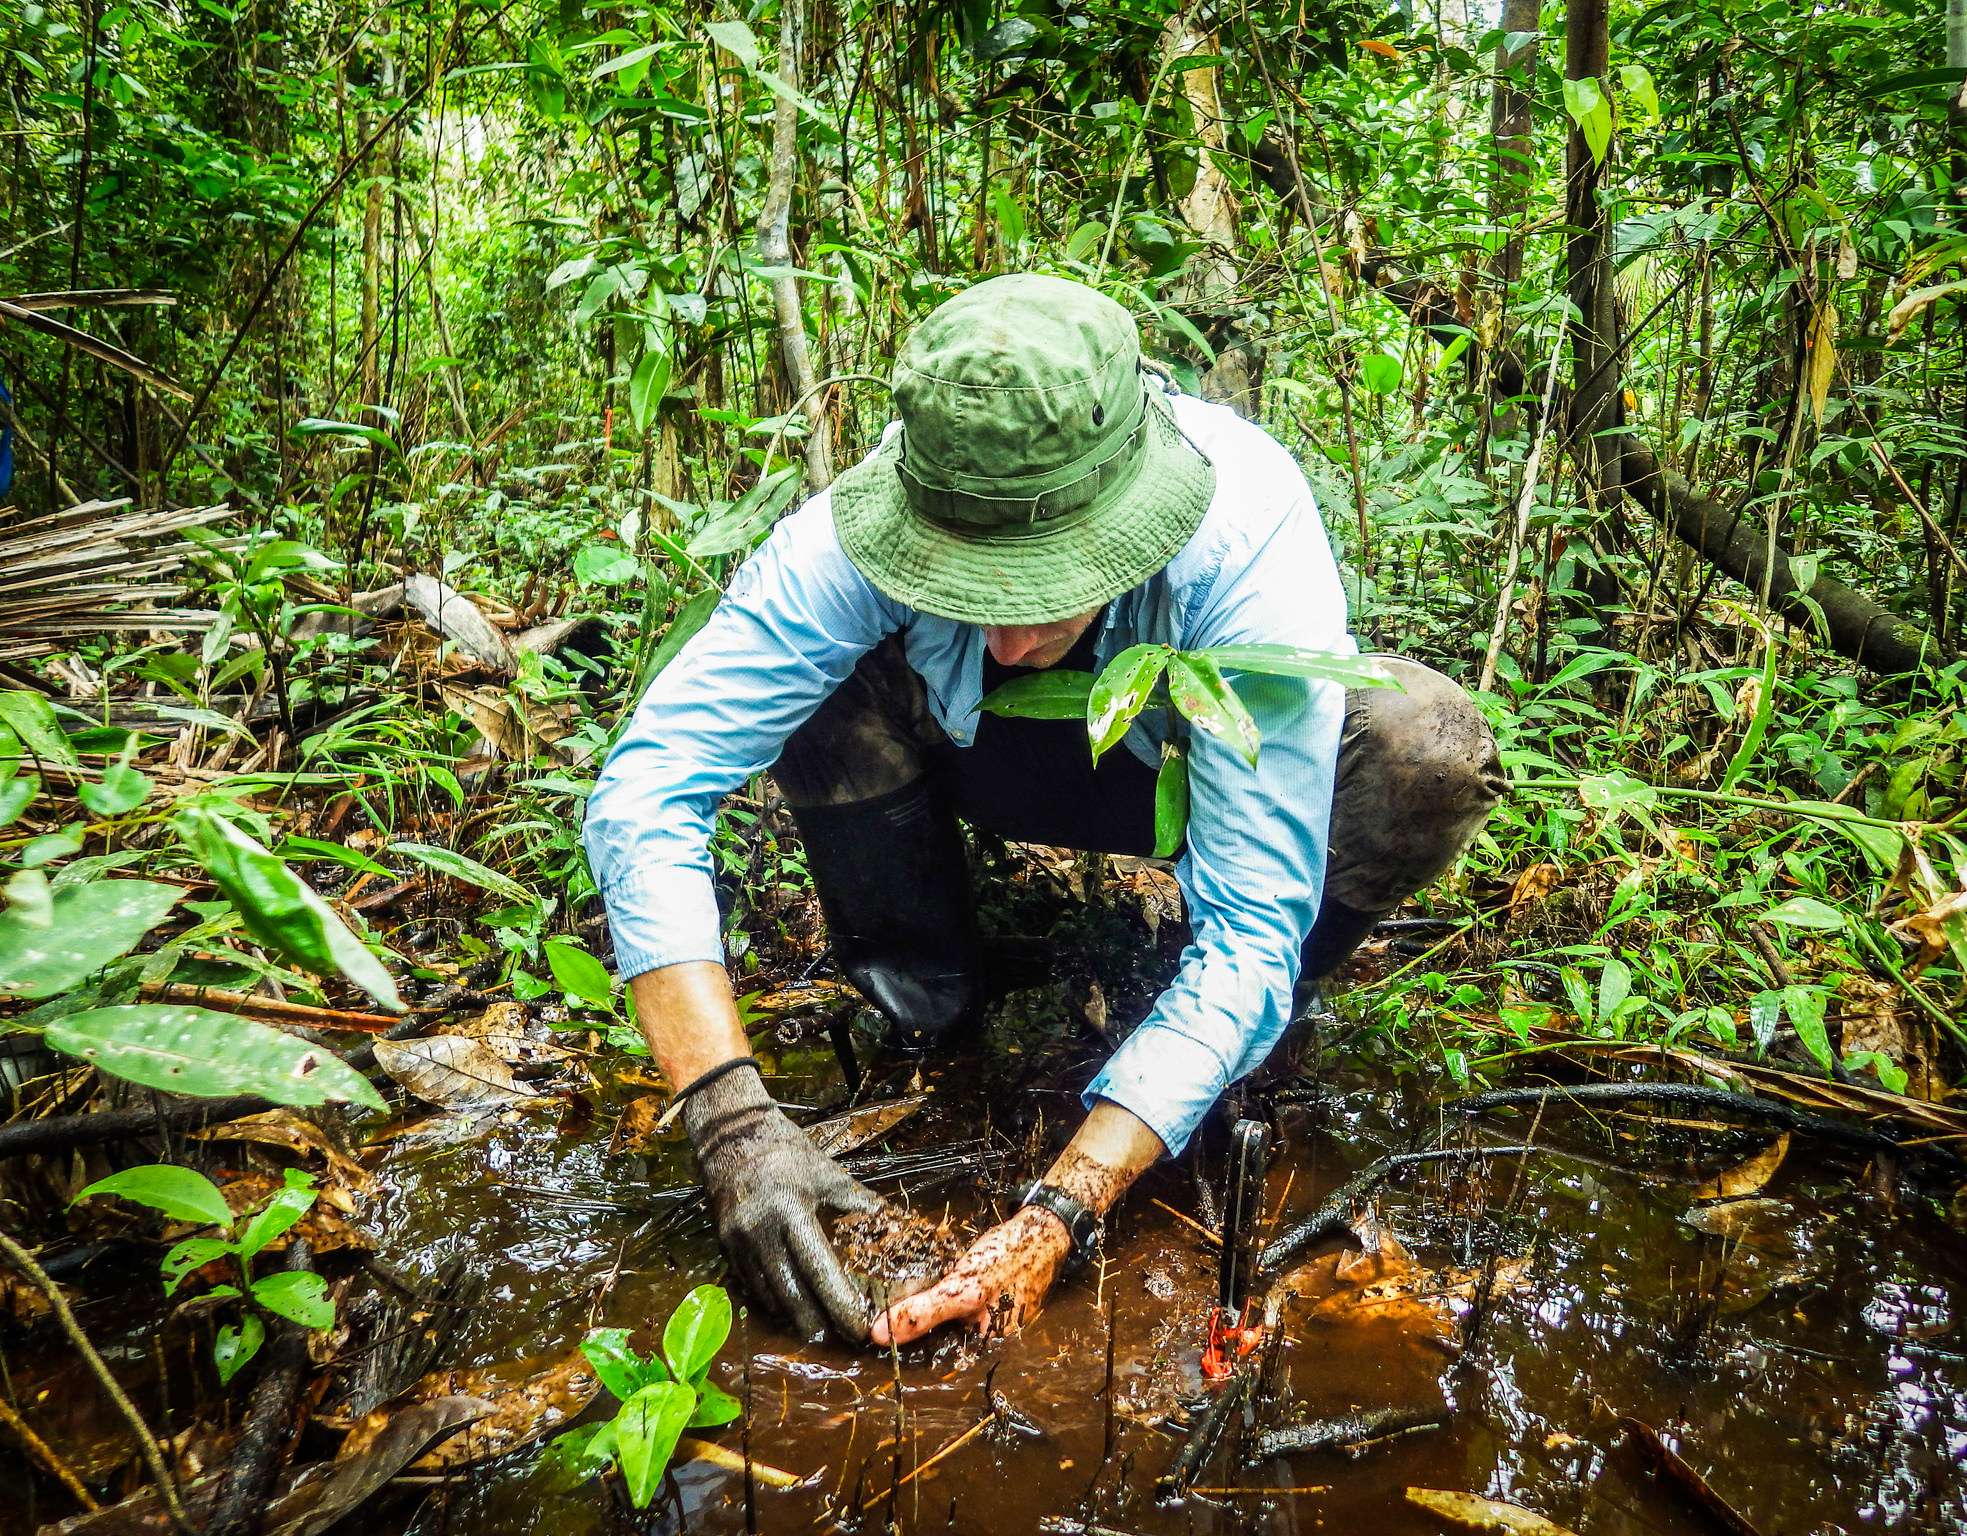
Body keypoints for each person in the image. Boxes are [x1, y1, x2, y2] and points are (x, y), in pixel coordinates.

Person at [583, 274, 1505, 1349]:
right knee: (821, 692)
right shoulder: (858, 524)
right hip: (975, 754)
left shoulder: (1244, 527)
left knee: (1422, 747)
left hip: (1183, 772)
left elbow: (1256, 922)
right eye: (965, 591)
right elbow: (648, 783)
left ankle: (1219, 1045)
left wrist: (1060, 1208)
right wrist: (731, 1123)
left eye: (1038, 592)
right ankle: (928, 999)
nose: (1006, 640)